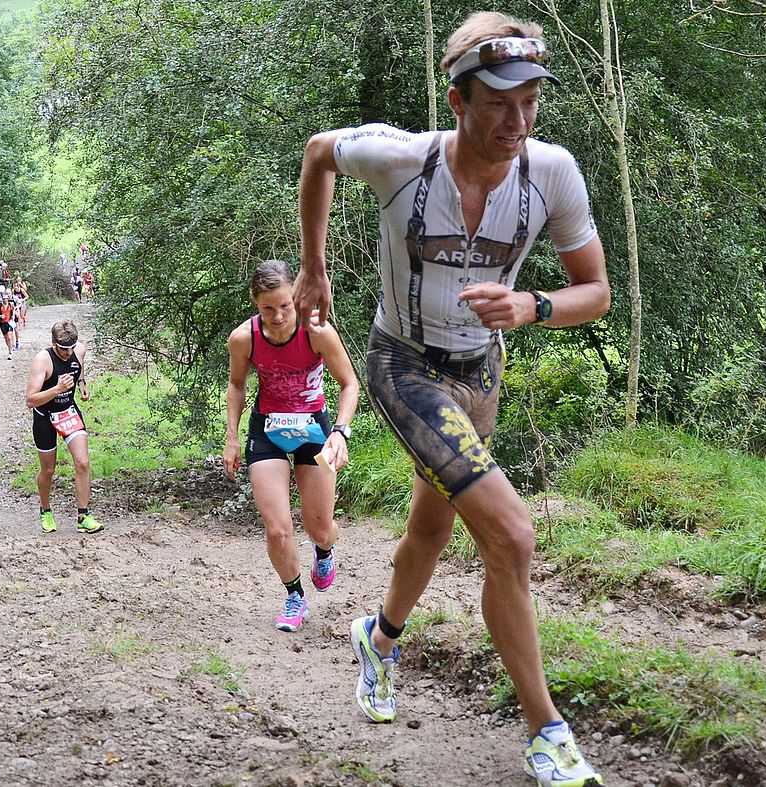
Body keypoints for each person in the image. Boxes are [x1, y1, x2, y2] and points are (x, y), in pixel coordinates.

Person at [292, 12, 610, 786]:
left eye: (531, 100)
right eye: (500, 100)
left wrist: (532, 304)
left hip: (480, 373)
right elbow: (317, 153)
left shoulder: (553, 173)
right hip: (403, 364)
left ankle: (380, 635)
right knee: (512, 535)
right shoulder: (400, 159)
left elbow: (595, 291)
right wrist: (314, 267)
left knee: (432, 529)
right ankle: (547, 731)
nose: (518, 120)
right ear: (458, 99)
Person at [223, 260, 360, 632]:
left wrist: (340, 432)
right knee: (278, 529)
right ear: (255, 302)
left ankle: (325, 549)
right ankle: (295, 596)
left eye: (285, 306)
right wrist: (232, 437)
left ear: (296, 298)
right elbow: (237, 385)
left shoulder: (317, 331)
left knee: (319, 527)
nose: (278, 315)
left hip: (315, 430)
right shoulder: (244, 338)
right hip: (267, 429)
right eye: (268, 308)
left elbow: (350, 384)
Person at [25, 320, 102, 534]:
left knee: (83, 462)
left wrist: (82, 383)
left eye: (71, 349)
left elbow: (79, 365)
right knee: (48, 470)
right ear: (53, 343)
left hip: (68, 411)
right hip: (45, 416)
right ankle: (45, 510)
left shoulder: (79, 350)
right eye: (63, 349)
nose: (68, 354)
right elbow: (30, 400)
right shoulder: (43, 360)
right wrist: (57, 389)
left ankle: (83, 516)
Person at [0, 290, 17, 361]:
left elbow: (13, 310)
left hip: (9, 322)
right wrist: (0, 316)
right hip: (2, 323)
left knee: (9, 337)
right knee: (6, 338)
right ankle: (9, 348)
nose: (5, 300)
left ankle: (10, 352)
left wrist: (13, 316)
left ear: (8, 298)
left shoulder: (11, 304)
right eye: (4, 298)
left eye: (6, 298)